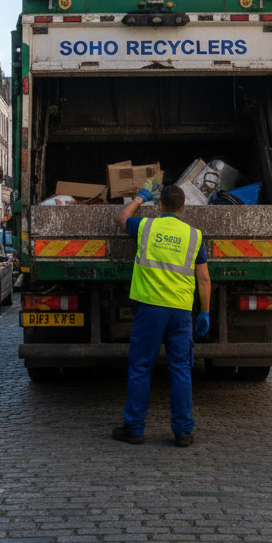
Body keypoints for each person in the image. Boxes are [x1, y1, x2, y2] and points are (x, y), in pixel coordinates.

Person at [110, 183, 212, 447]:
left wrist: (140, 197)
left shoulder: (146, 227)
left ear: (160, 206)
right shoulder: (194, 235)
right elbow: (203, 278)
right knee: (181, 370)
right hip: (180, 311)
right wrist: (205, 312)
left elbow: (121, 218)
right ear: (183, 208)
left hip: (150, 308)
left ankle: (134, 428)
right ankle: (182, 432)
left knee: (141, 367)